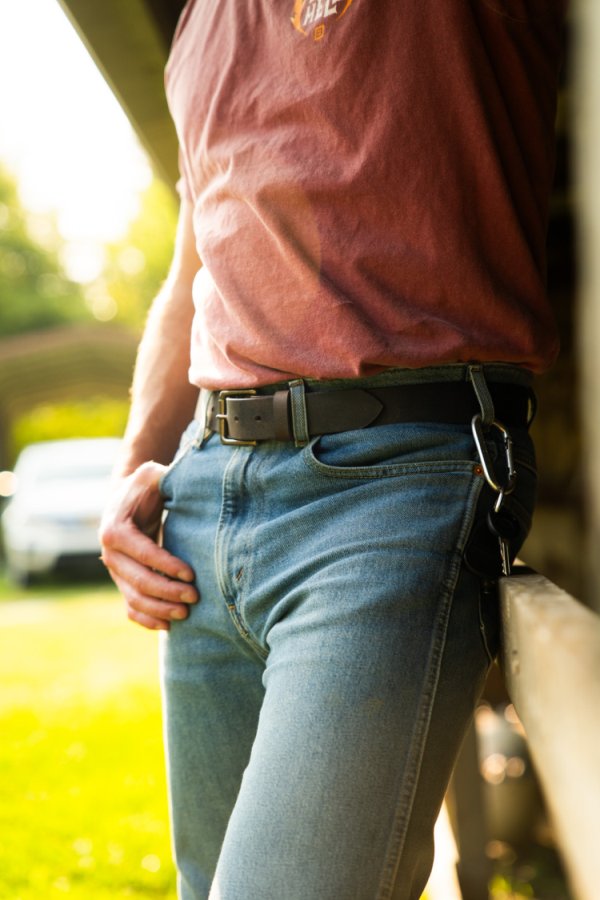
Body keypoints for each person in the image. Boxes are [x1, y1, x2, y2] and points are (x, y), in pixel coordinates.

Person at [99, 2, 568, 897]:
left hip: (393, 490)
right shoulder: (202, 20)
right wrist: (134, 468)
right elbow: (195, 260)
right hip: (203, 498)